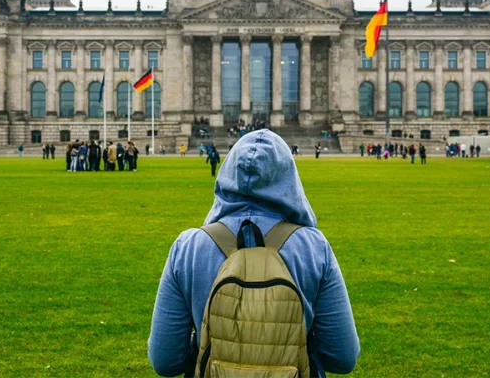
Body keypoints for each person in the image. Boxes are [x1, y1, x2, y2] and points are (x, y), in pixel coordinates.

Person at [148, 130, 360, 377]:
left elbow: (165, 361)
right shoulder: (314, 248)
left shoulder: (188, 247)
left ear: (228, 173)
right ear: (288, 177)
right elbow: (342, 359)